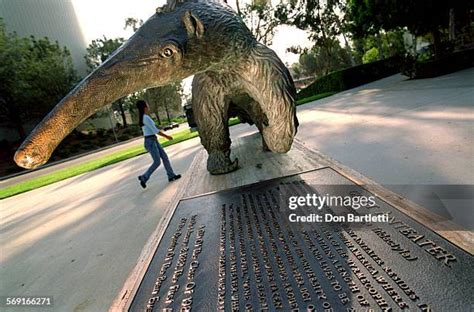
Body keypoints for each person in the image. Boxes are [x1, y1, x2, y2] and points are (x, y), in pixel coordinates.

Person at [136, 100, 181, 188]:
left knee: (165, 157)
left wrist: (162, 127)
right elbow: (155, 131)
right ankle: (144, 177)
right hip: (150, 142)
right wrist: (167, 136)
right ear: (145, 107)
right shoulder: (145, 118)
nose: (148, 106)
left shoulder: (145, 117)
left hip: (153, 140)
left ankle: (171, 175)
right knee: (157, 162)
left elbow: (154, 127)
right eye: (147, 105)